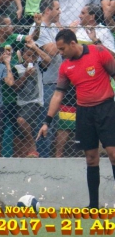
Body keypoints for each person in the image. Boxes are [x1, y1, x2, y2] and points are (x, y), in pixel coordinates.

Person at [37, 29, 115, 209]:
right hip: (84, 113)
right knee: (91, 158)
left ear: (73, 43)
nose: (61, 53)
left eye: (62, 49)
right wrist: (47, 122)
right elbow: (58, 94)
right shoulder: (65, 67)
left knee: (113, 154)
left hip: (106, 109)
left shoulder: (98, 52)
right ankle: (93, 206)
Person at [29, 0, 62, 157]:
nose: (59, 11)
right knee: (44, 121)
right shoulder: (38, 28)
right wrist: (70, 35)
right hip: (45, 83)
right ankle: (42, 157)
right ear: (48, 10)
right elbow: (51, 50)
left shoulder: (54, 28)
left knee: (54, 123)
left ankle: (48, 156)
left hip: (57, 81)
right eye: (57, 8)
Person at [12, 39, 51, 158]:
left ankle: (32, 146)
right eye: (28, 55)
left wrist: (35, 48)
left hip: (35, 102)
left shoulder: (38, 66)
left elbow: (48, 60)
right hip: (20, 102)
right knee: (20, 133)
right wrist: (26, 75)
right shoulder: (17, 68)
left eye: (33, 55)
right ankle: (25, 153)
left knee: (21, 121)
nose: (31, 58)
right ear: (22, 55)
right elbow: (15, 87)